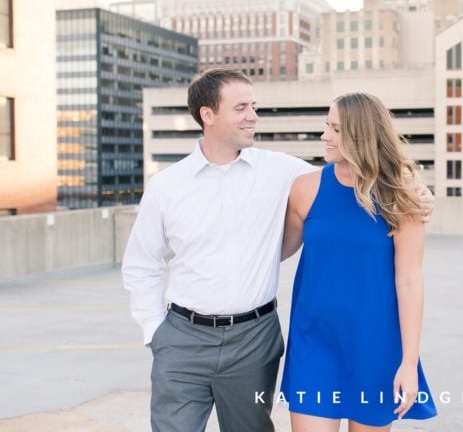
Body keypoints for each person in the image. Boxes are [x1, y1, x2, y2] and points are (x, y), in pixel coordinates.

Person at [121, 69, 434, 432]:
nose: (253, 116)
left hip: (262, 339)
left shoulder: (282, 171)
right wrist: (154, 330)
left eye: (253, 106)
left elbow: (354, 181)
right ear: (208, 115)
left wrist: (420, 195)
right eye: (241, 107)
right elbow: (142, 263)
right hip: (189, 338)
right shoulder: (167, 186)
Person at [279, 92, 438, 432]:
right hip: (314, 342)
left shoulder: (401, 195)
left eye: (335, 129)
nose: (325, 136)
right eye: (326, 126)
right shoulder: (305, 188)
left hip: (375, 345)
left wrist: (409, 362)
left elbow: (409, 280)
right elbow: (276, 250)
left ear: (361, 135)